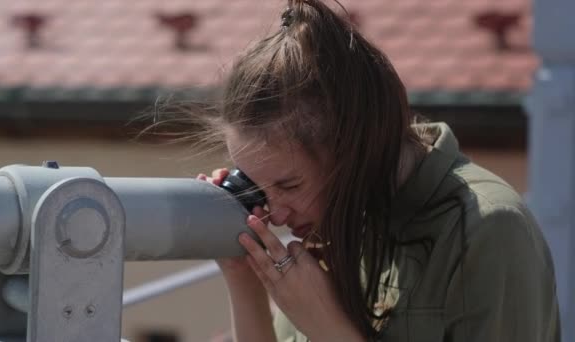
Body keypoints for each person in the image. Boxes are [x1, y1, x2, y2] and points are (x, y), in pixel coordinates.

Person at [188, 0, 561, 341]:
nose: (278, 214)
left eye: (289, 184)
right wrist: (243, 278)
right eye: (258, 187)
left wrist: (331, 330)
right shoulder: (332, 230)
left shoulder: (488, 228)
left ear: (355, 146)